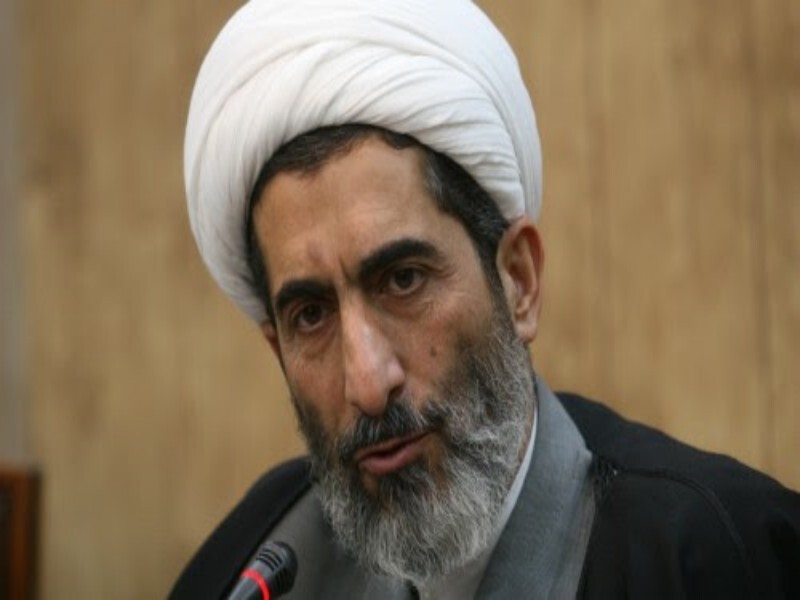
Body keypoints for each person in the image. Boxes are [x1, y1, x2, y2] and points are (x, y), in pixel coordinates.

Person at [171, 1, 800, 598]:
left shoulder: (713, 557)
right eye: (311, 316)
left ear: (518, 280)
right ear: (277, 349)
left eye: (404, 280)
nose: (367, 383)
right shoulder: (260, 563)